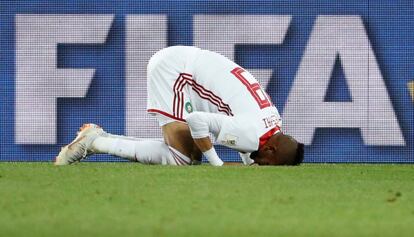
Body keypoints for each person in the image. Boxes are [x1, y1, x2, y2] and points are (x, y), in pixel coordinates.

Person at [55, 46, 304, 166]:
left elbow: (242, 140)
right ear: (270, 150)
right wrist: (217, 164)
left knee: (193, 154)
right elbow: (198, 122)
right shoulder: (254, 135)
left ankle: (96, 140)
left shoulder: (271, 125)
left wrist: (247, 164)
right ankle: (95, 141)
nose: (263, 167)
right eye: (269, 165)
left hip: (188, 66)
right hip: (177, 72)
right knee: (182, 158)